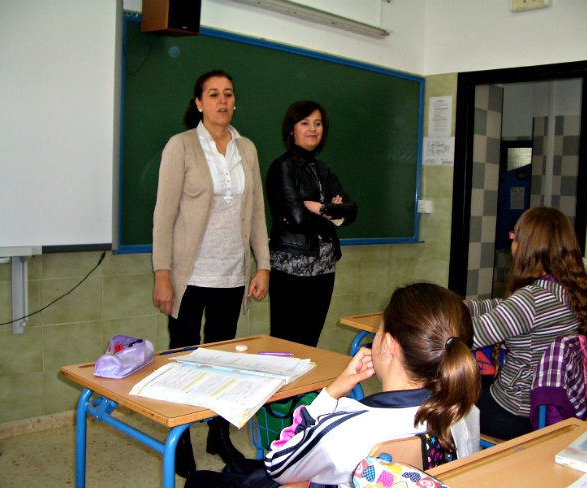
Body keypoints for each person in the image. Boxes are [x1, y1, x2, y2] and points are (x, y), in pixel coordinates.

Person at [184, 282, 482, 488]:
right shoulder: (463, 410)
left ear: (388, 346)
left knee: (202, 481)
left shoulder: (350, 426)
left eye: (378, 329)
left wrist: (329, 394)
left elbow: (277, 463)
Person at [151, 70, 270, 477]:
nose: (222, 101)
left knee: (222, 363)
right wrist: (162, 273)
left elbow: (256, 213)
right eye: (213, 94)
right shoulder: (181, 146)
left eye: (229, 94)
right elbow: (163, 215)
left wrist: (263, 265)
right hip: (189, 275)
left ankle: (218, 433)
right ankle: (179, 437)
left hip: (232, 274)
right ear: (199, 103)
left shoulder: (246, 148)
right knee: (183, 360)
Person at [464, 206, 587, 440]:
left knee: (442, 391)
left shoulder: (531, 299)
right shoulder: (570, 290)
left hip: (516, 412)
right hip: (552, 406)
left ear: (525, 246)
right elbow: (506, 308)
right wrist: (465, 306)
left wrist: (438, 320)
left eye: (514, 236)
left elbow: (466, 338)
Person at [266, 100, 357, 347]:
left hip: (324, 267)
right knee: (286, 341)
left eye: (318, 124)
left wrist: (321, 208)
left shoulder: (324, 170)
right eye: (305, 123)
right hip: (291, 265)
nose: (313, 129)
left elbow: (351, 210)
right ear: (291, 129)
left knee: (310, 341)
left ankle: (308, 387)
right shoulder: (282, 167)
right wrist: (332, 216)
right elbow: (296, 217)